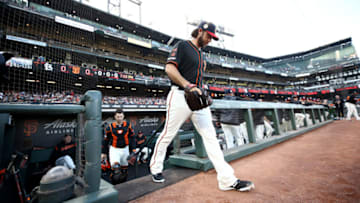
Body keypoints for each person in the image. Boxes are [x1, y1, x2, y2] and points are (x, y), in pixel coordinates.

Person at [149, 21, 254, 192]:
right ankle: (155, 168)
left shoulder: (201, 54)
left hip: (197, 99)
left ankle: (227, 179)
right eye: (209, 36)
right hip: (179, 95)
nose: (210, 40)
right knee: (168, 134)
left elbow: (197, 78)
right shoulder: (183, 46)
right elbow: (169, 69)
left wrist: (201, 89)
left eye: (212, 38)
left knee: (211, 137)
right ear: (199, 31)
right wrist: (187, 85)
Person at [101, 109, 136, 184]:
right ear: (115, 117)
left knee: (124, 171)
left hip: (125, 149)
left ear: (123, 116)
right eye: (118, 116)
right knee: (116, 169)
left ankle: (124, 186)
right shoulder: (109, 127)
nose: (119, 118)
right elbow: (105, 140)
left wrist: (133, 150)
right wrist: (103, 153)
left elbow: (132, 137)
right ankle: (114, 185)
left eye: (121, 116)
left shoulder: (128, 125)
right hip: (114, 150)